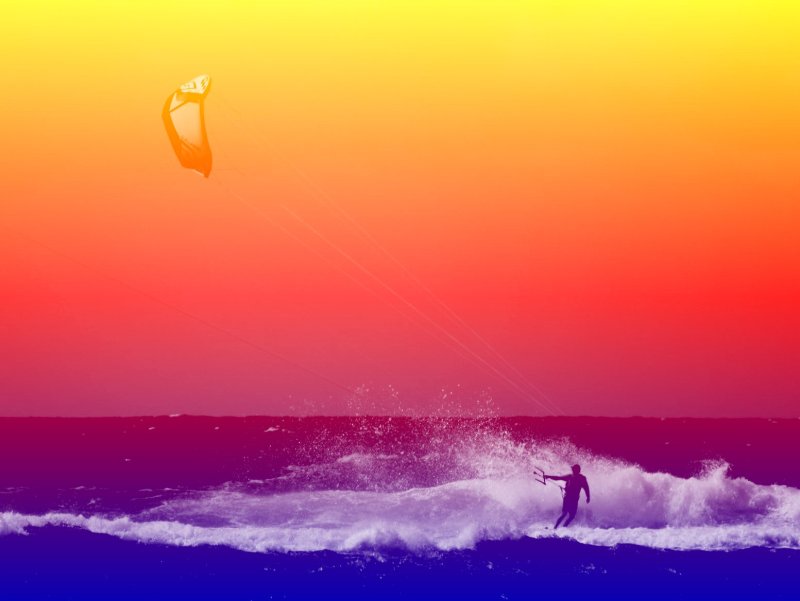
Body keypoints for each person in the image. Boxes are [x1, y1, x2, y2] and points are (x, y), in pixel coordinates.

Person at [545, 464, 590, 529]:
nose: (573, 471)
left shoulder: (582, 478)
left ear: (578, 470)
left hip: (574, 499)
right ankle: (555, 528)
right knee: (564, 514)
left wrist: (588, 497)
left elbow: (586, 488)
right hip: (568, 498)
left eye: (574, 470)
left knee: (572, 516)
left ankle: (563, 527)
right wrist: (548, 476)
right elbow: (558, 478)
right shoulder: (570, 476)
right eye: (573, 469)